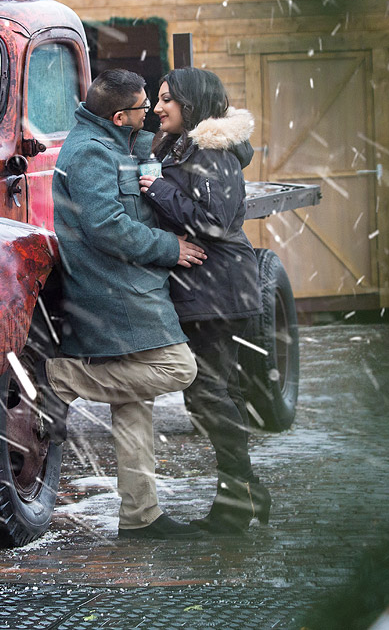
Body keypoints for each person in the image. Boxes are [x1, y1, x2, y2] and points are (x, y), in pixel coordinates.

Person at [48, 68, 208, 540]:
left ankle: (142, 516)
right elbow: (108, 228)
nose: (152, 114)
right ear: (120, 116)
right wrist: (169, 247)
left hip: (128, 281)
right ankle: (65, 376)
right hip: (114, 287)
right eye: (143, 108)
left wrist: (137, 142)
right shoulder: (89, 154)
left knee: (134, 400)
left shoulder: (113, 142)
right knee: (180, 369)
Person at [138, 67, 271, 534]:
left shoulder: (212, 153)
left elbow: (213, 223)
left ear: (191, 104)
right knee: (216, 394)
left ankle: (240, 496)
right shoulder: (187, 148)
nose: (158, 108)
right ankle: (244, 494)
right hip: (213, 287)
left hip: (218, 288)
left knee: (208, 396)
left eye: (167, 99)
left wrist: (158, 189)